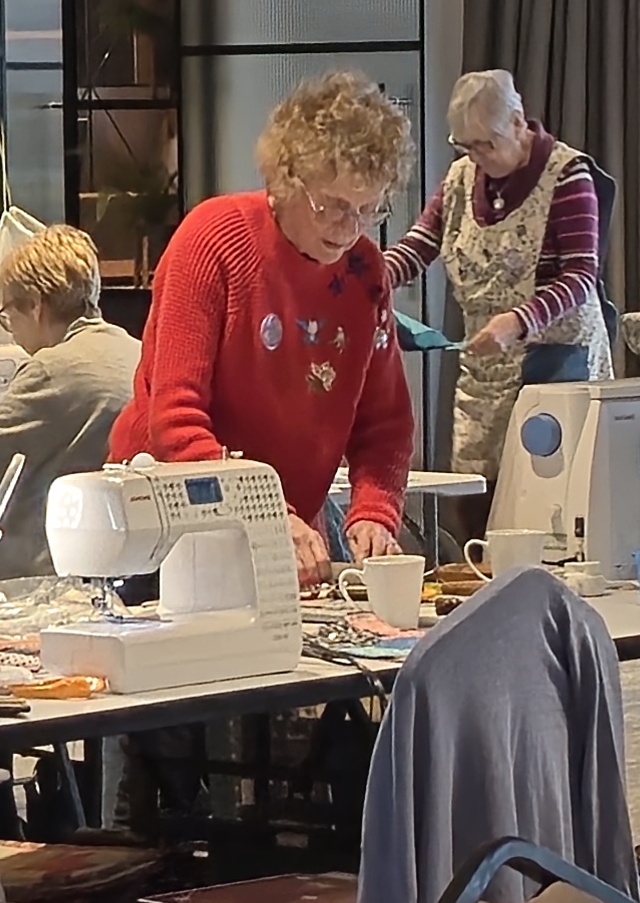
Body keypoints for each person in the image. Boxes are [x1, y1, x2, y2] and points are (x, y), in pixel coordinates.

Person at [113, 77, 421, 556]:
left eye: (369, 210)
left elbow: (385, 424)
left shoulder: (365, 273)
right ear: (285, 180)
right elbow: (175, 421)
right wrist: (267, 512)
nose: (350, 228)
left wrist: (375, 514)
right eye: (333, 206)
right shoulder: (212, 240)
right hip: (166, 526)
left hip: (286, 521)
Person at [0, 217, 141, 582]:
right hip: (116, 575)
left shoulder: (49, 370)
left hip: (36, 587)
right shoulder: (139, 355)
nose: (11, 333)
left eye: (7, 316)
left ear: (35, 306)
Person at [403, 67, 606, 479]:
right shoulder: (461, 177)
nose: (477, 157)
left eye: (487, 145)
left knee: (546, 494)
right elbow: (421, 242)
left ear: (518, 123)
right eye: (466, 147)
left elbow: (581, 275)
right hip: (484, 371)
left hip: (555, 362)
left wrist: (518, 321)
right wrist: (371, 279)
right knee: (477, 498)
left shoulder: (567, 176)